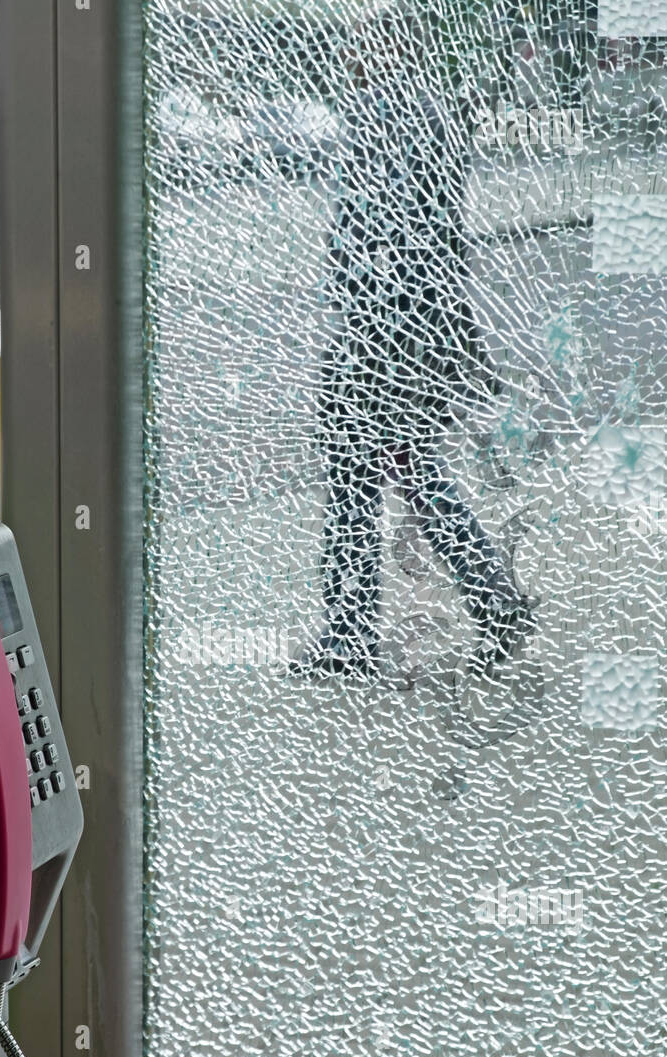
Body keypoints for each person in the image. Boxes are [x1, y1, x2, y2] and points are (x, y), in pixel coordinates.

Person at [295, 4, 536, 678]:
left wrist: (355, 330)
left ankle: (349, 634)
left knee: (354, 470)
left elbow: (369, 238)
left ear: (387, 44)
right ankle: (492, 599)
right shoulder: (435, 111)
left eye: (358, 38)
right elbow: (439, 234)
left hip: (377, 330)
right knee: (410, 465)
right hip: (416, 326)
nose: (347, 50)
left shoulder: (379, 113)